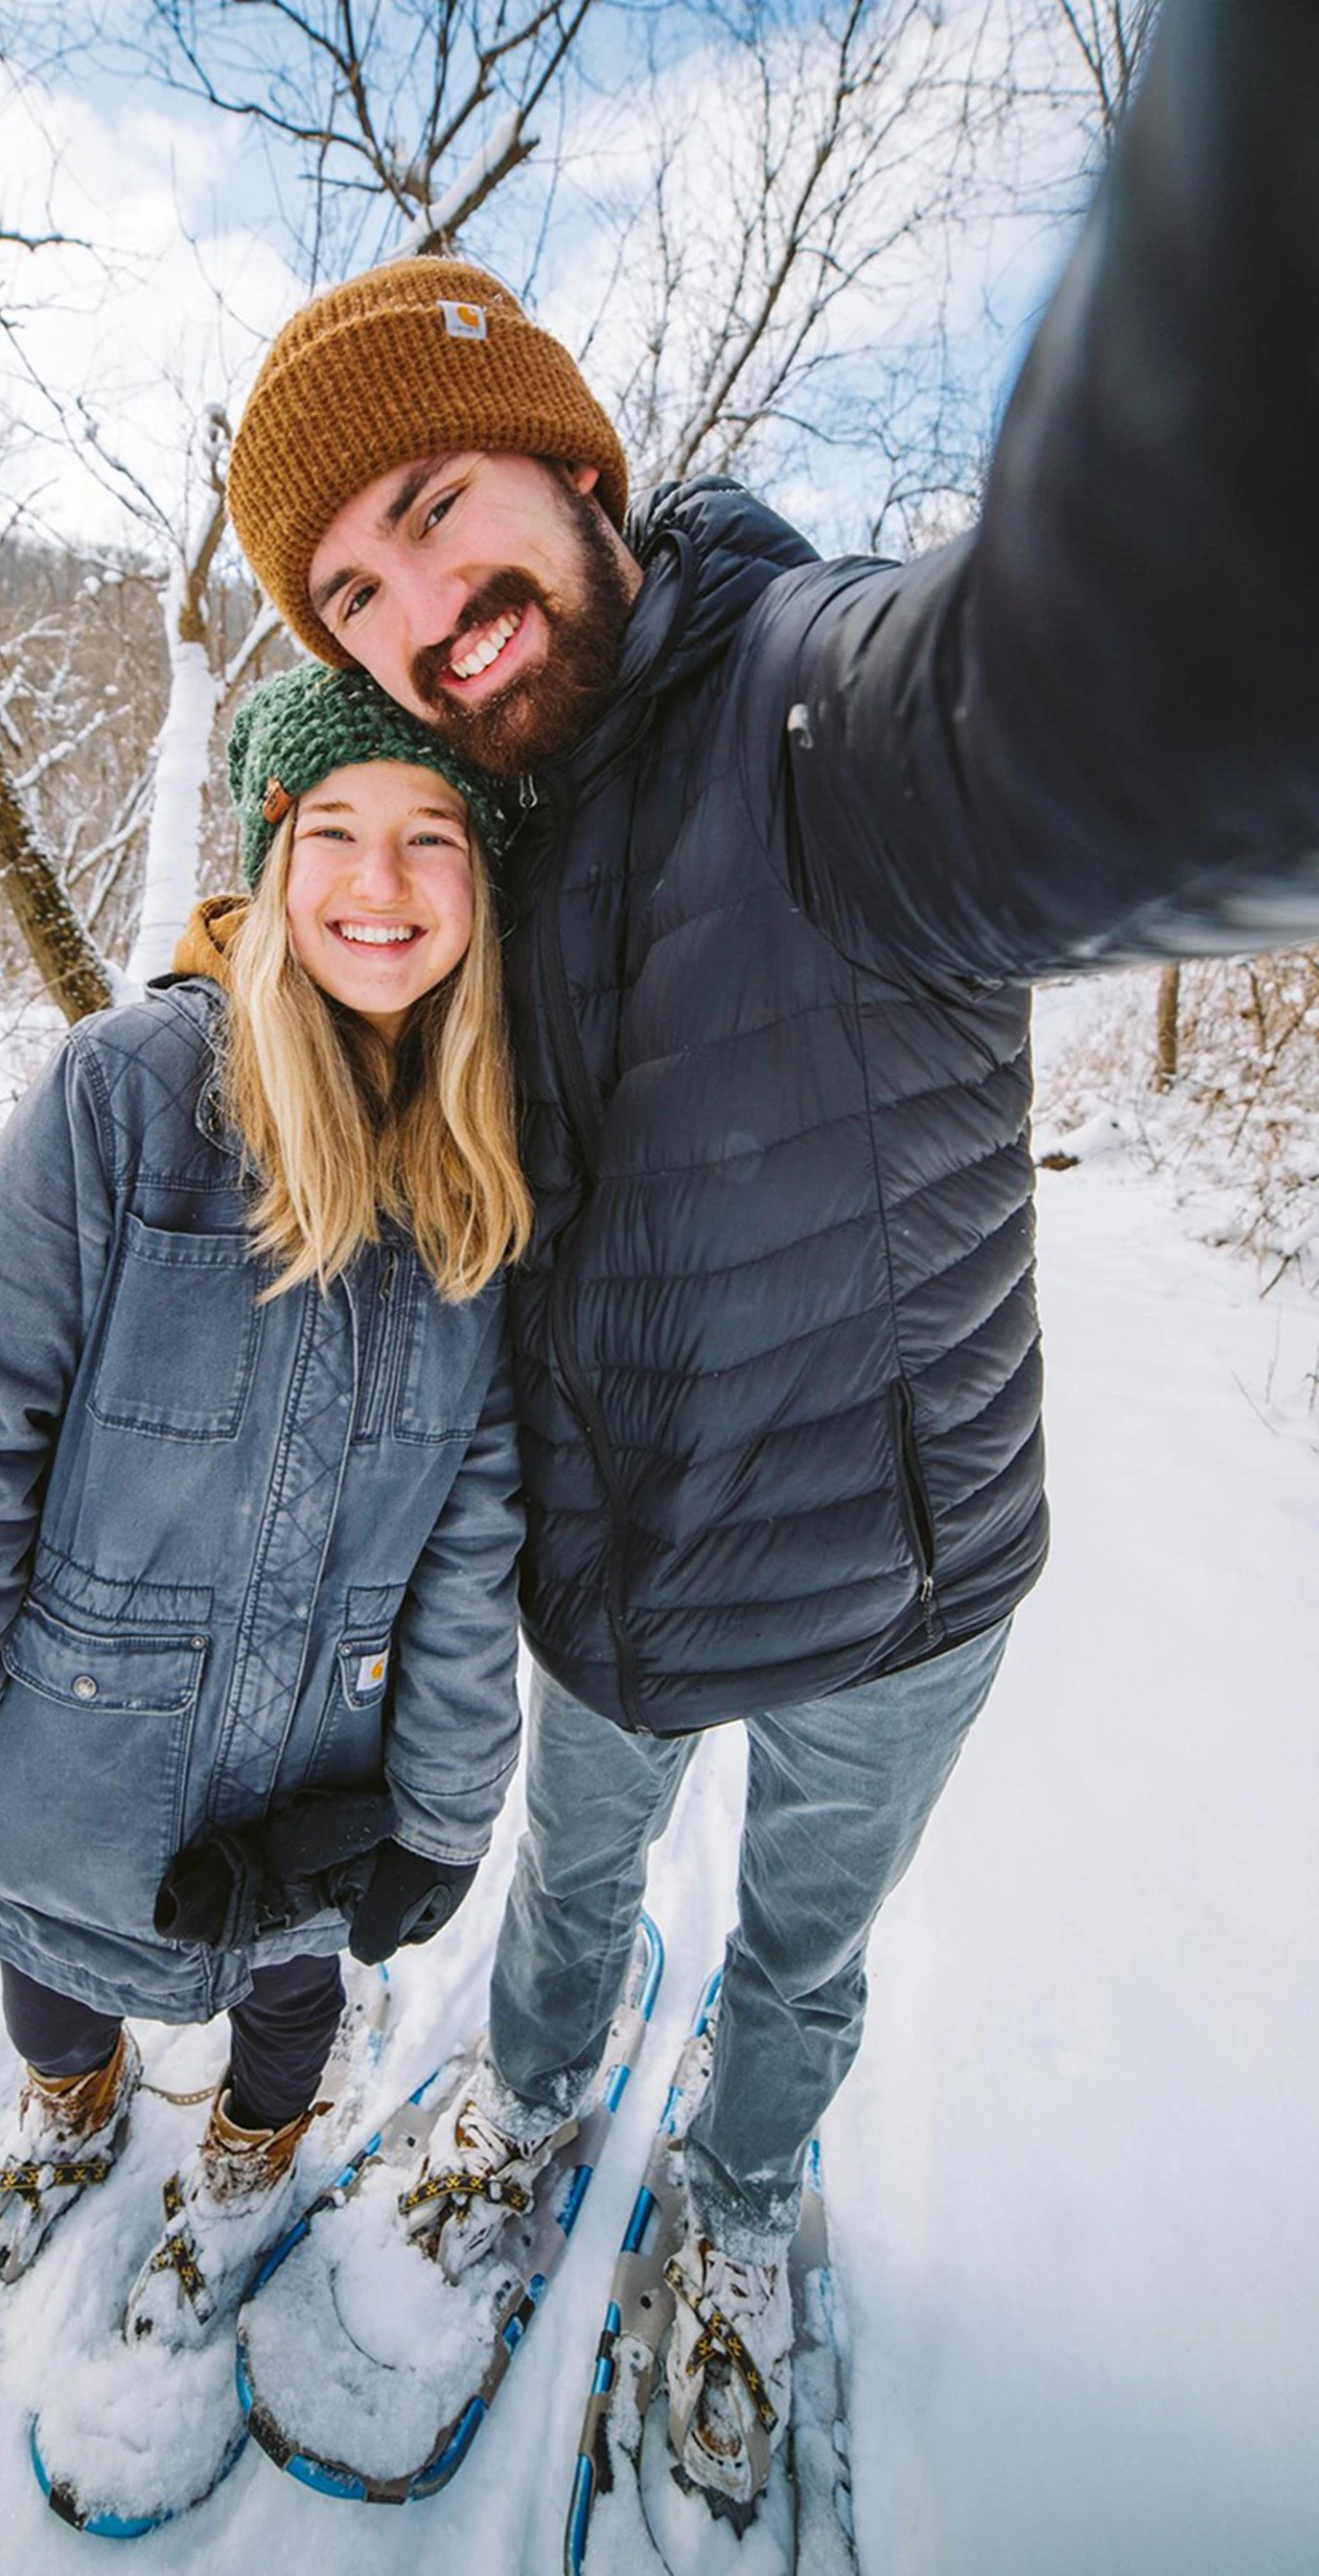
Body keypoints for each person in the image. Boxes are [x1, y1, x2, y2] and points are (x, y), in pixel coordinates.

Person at [220, 0, 1319, 2510]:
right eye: (357, 588)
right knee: (566, 1895)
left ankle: (734, 2198)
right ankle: (527, 2108)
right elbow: (310, 1035)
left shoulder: (819, 715)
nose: (427, 608)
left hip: (896, 1600)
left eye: (444, 507)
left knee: (800, 1960)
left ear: (575, 465)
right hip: (608, 1586)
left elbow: (1100, 708)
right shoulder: (469, 843)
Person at [0, 664, 530, 2360]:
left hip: (321, 1772)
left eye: (434, 836)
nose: (382, 883)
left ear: (481, 880)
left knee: (292, 2000)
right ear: (272, 856)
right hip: (73, 1739)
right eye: (338, 831)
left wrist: (447, 1806)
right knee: (49, 1971)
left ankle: (249, 2155)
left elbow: (472, 1539)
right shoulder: (135, 1094)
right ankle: (70, 2112)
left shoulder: (480, 1170)